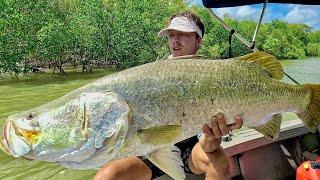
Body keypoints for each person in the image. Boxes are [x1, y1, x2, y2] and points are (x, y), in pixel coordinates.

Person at [94, 11, 243, 180]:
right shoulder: (151, 74)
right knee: (106, 176)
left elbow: (208, 146)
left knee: (218, 160)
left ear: (198, 41)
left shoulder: (211, 76)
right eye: (171, 35)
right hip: (150, 148)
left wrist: (212, 135)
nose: (174, 40)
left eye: (182, 34)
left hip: (191, 149)